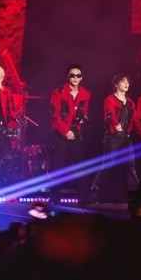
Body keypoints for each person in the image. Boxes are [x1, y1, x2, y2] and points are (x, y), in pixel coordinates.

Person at [90, 73, 139, 204]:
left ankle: (135, 195)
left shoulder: (130, 102)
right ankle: (95, 193)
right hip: (113, 137)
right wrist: (116, 125)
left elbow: (135, 119)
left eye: (127, 81)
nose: (126, 84)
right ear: (116, 84)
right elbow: (109, 115)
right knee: (107, 165)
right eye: (123, 81)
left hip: (126, 137)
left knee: (131, 165)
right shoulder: (110, 99)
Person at [49, 64, 92, 199]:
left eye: (78, 75)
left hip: (75, 130)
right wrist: (65, 131)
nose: (75, 78)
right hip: (60, 130)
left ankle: (83, 197)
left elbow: (84, 111)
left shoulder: (85, 93)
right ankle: (55, 197)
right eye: (72, 75)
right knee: (58, 164)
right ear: (67, 76)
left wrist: (82, 119)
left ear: (82, 77)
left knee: (79, 164)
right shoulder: (58, 92)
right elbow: (54, 115)